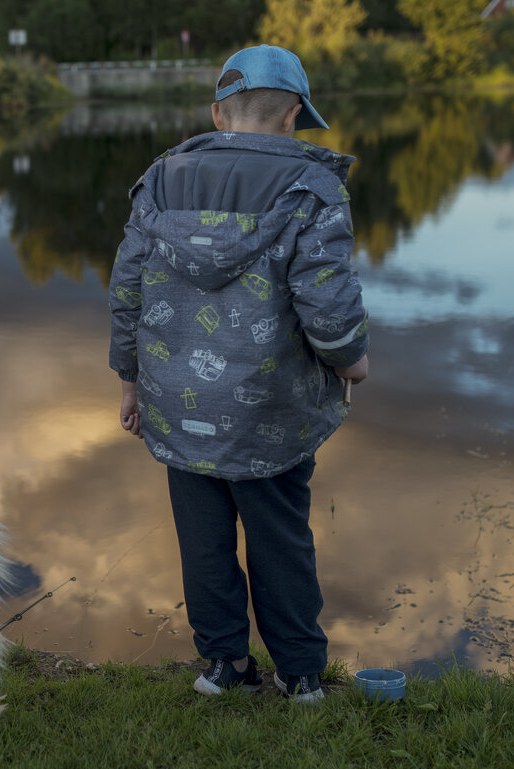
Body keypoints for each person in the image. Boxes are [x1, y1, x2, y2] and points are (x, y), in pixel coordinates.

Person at [107, 44, 369, 702]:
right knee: (279, 538)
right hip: (269, 409)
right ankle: (302, 673)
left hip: (177, 399)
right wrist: (350, 359)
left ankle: (223, 665)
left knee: (202, 539)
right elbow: (327, 300)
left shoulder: (161, 179)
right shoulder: (312, 185)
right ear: (292, 118)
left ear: (219, 114)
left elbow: (127, 288)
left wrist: (127, 378)